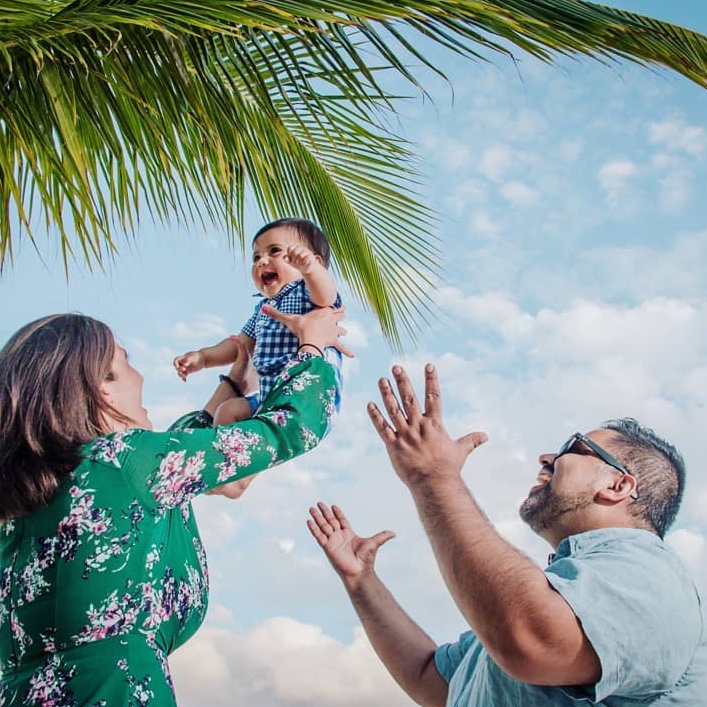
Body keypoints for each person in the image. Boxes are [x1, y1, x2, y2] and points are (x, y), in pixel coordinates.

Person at [0, 306, 349, 706]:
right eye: (125, 361)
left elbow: (176, 453)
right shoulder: (125, 461)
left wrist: (234, 380)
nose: (141, 375)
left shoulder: (27, 498)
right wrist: (313, 347)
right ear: (102, 386)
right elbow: (287, 428)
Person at [308, 364, 707, 706]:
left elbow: (533, 642)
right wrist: (362, 581)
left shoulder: (649, 575)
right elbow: (434, 681)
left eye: (574, 447)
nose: (547, 457)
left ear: (618, 486)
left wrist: (432, 477)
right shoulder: (560, 591)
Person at [173, 218, 344, 426]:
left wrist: (312, 271)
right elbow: (239, 344)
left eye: (274, 251)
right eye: (256, 257)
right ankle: (230, 455)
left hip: (310, 391)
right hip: (269, 395)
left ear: (314, 261)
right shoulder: (263, 309)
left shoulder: (306, 290)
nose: (261, 261)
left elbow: (326, 296)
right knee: (227, 410)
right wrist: (203, 357)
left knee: (234, 410)